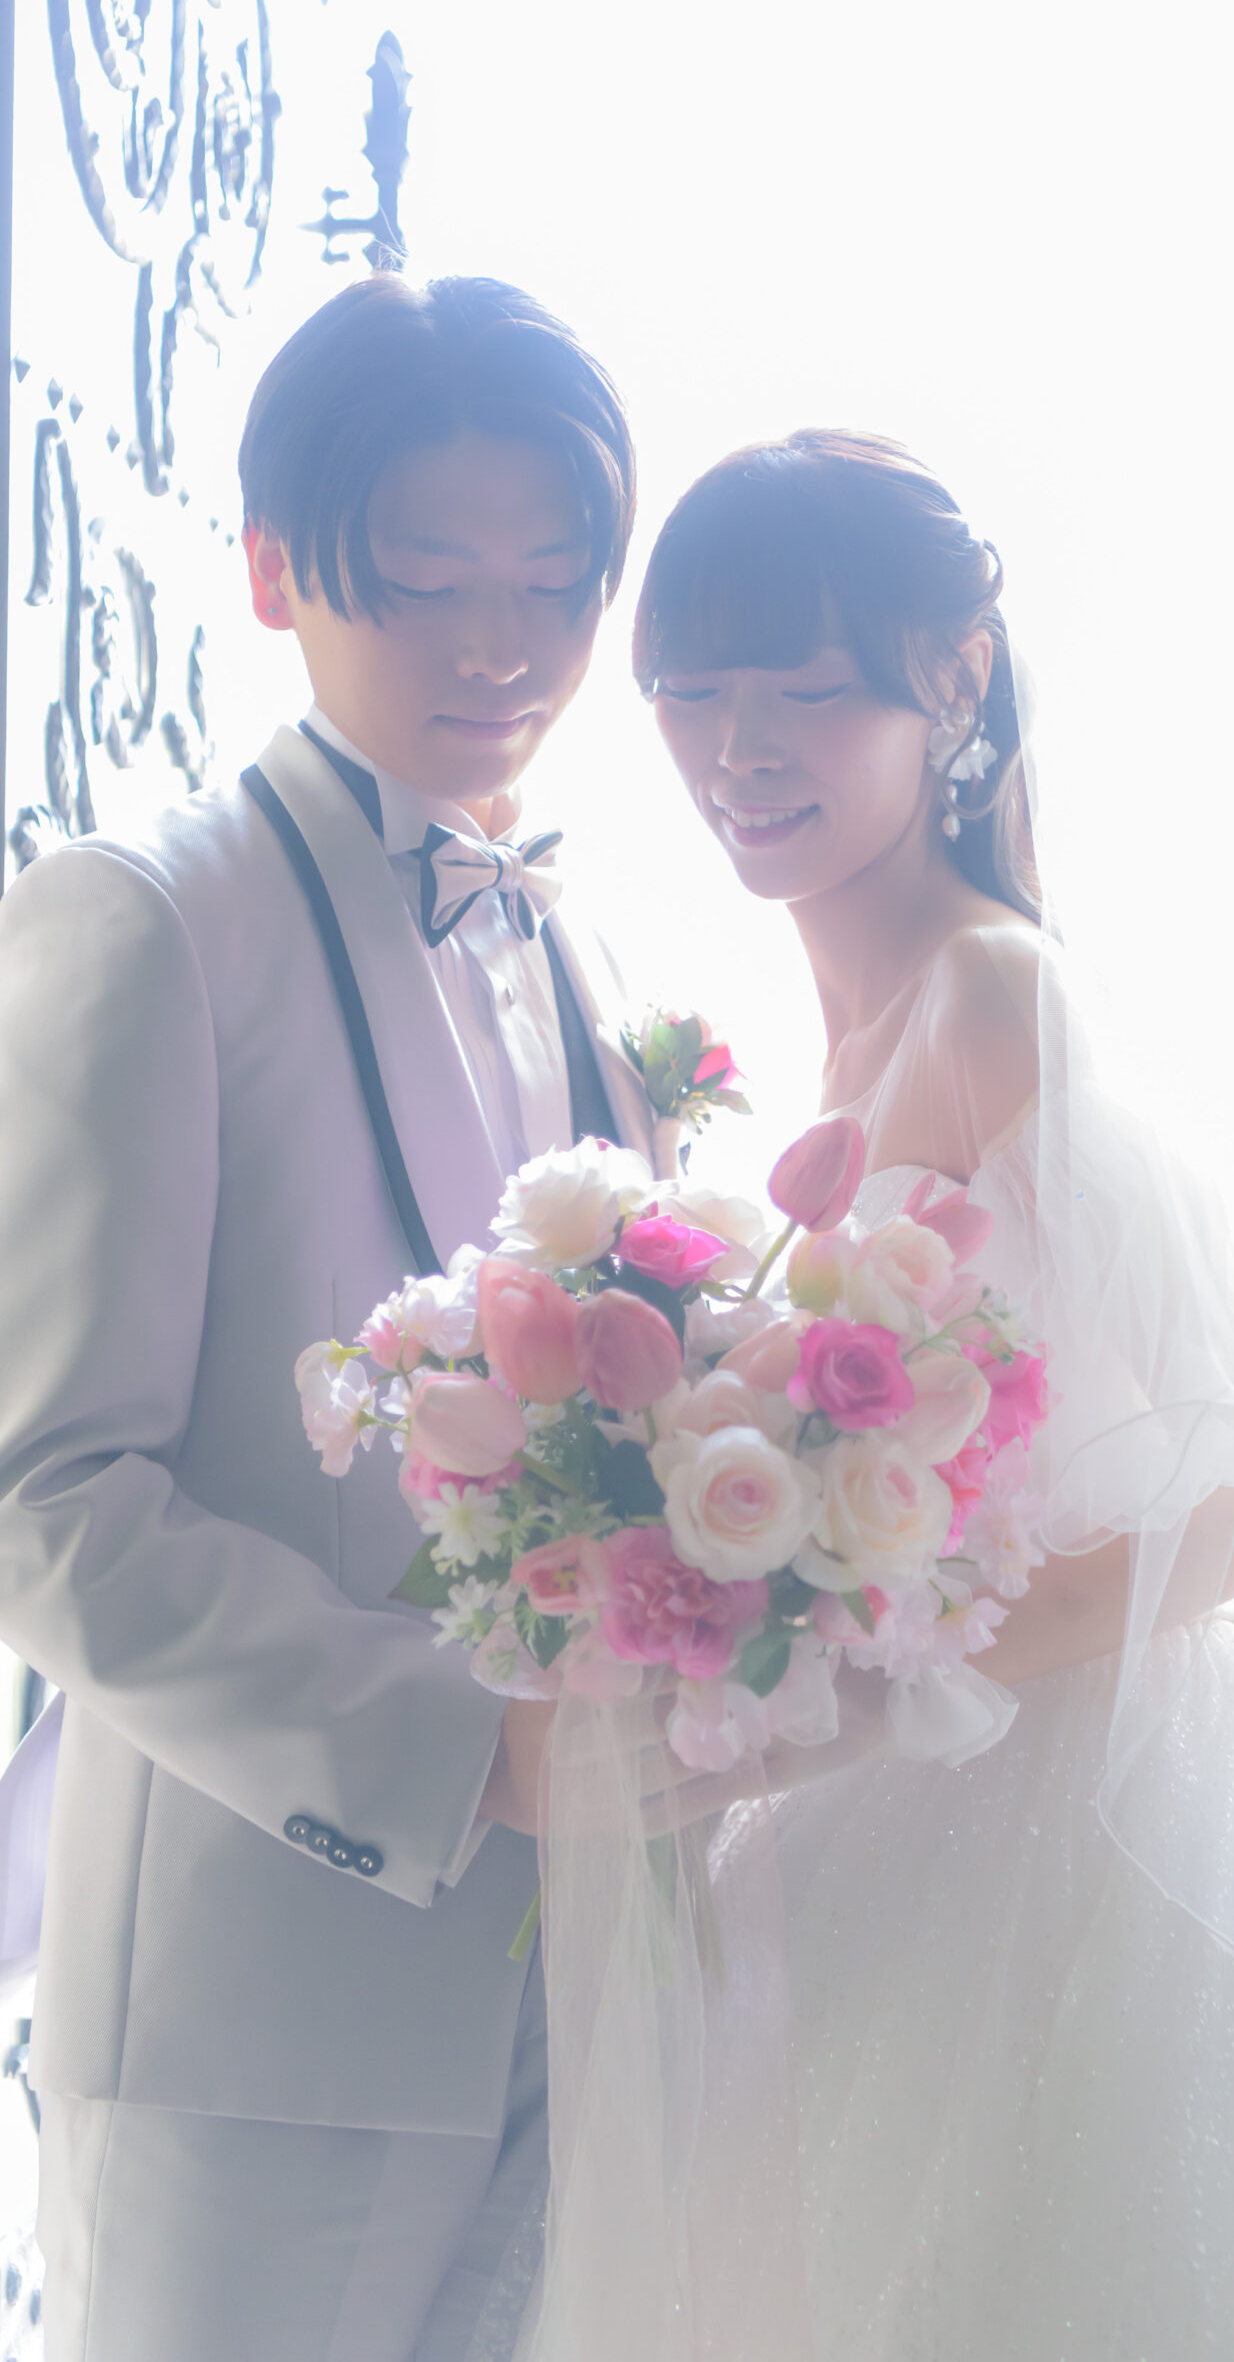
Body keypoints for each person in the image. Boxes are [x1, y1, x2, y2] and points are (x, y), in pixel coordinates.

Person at [507, 428, 1234, 2360]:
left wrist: (881, 1694)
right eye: (694, 692)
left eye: (806, 691)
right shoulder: (827, 1041)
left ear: (954, 679)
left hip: (1088, 1824)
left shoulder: (994, 998)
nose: (740, 748)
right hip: (893, 1821)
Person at [0, 273, 664, 2362]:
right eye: (430, 582)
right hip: (258, 2020)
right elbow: (46, 1494)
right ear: (277, 568)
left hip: (577, 1992)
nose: (498, 647)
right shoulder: (148, 914)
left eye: (552, 586)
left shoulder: (561, 934)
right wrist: (466, 1753)